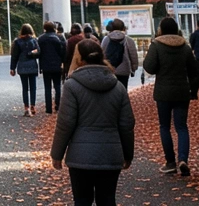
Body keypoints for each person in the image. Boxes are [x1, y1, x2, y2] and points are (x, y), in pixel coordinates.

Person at [50, 40, 135, 206]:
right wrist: (128, 154)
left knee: (82, 200)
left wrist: (57, 154)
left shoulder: (72, 86)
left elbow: (65, 123)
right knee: (108, 199)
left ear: (79, 59)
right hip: (111, 153)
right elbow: (127, 124)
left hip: (80, 155)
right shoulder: (118, 87)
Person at [143, 17, 199, 177]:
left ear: (161, 29)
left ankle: (170, 162)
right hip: (182, 91)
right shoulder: (185, 46)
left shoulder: (156, 45)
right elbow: (196, 72)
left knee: (164, 126)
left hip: (163, 92)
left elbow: (149, 67)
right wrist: (193, 91)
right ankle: (183, 159)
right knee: (181, 127)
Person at [10, 23, 42, 116]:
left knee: (25, 88)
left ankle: (26, 108)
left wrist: (12, 68)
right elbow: (39, 52)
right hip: (32, 66)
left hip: (22, 66)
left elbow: (14, 56)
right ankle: (33, 105)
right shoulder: (34, 40)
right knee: (33, 87)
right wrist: (32, 53)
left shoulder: (17, 42)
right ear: (31, 31)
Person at [38, 21, 67, 114]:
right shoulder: (59, 38)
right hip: (57, 65)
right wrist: (62, 62)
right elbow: (62, 52)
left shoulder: (41, 39)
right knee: (57, 86)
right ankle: (58, 106)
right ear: (54, 28)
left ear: (45, 28)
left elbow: (39, 52)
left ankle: (48, 108)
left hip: (45, 65)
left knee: (47, 87)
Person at [103, 19, 139, 87]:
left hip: (109, 69)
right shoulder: (129, 40)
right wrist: (133, 68)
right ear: (123, 28)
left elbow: (102, 54)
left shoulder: (106, 39)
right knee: (123, 89)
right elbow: (133, 56)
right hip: (124, 70)